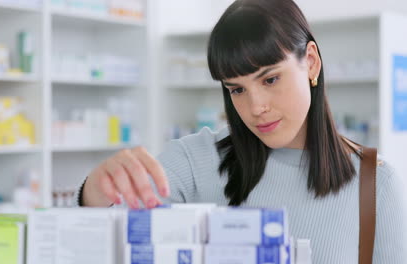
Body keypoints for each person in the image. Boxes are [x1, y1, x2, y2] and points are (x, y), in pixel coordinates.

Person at [76, 0, 407, 262]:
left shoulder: (375, 184)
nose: (255, 106)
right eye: (237, 89)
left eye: (270, 79)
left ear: (311, 62)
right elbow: (104, 234)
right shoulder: (196, 161)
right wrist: (95, 193)